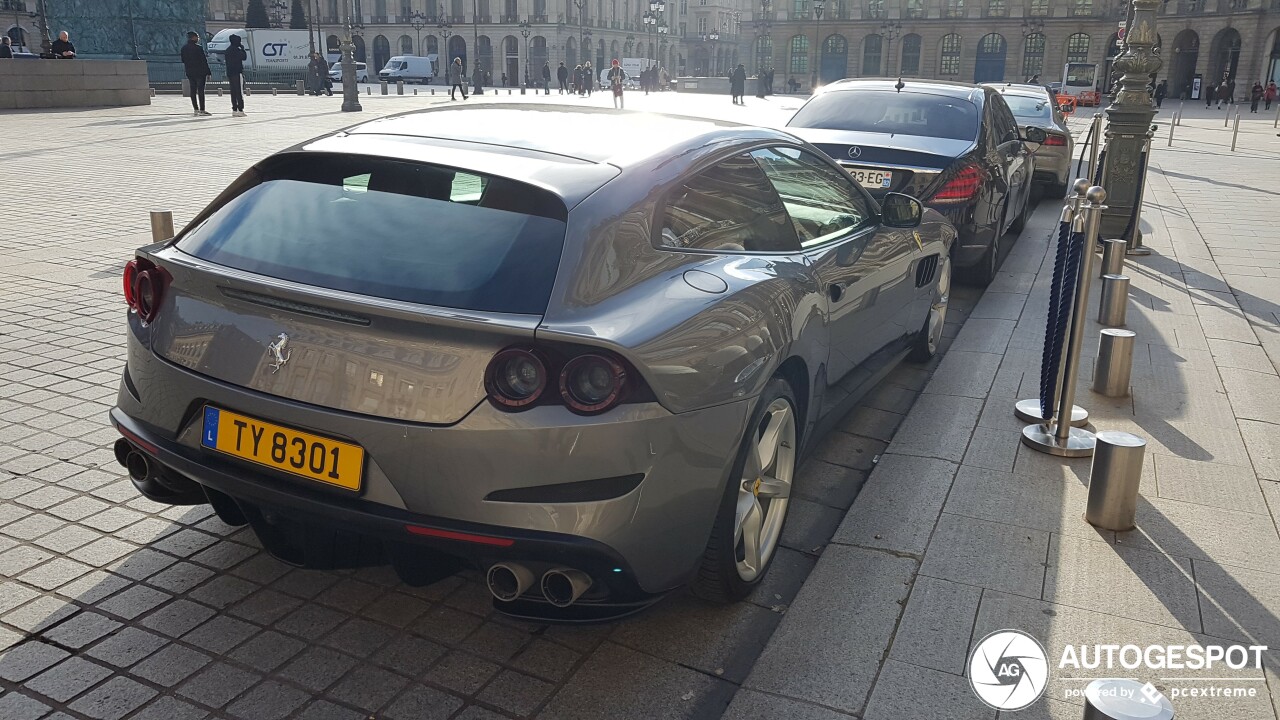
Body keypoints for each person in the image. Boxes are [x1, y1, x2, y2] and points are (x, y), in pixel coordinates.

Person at [180, 31, 212, 117]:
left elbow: (183, 60)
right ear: (193, 37)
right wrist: (208, 72)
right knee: (201, 91)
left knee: (193, 91)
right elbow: (203, 61)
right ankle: (202, 109)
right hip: (200, 72)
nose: (198, 39)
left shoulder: (184, 48)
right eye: (197, 37)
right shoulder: (198, 48)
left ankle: (195, 109)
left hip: (190, 72)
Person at [225, 34, 248, 116]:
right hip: (237, 72)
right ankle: (240, 109)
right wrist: (242, 49)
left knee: (233, 91)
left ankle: (234, 109)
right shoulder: (237, 50)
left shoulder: (227, 50)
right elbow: (244, 57)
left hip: (230, 72)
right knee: (239, 91)